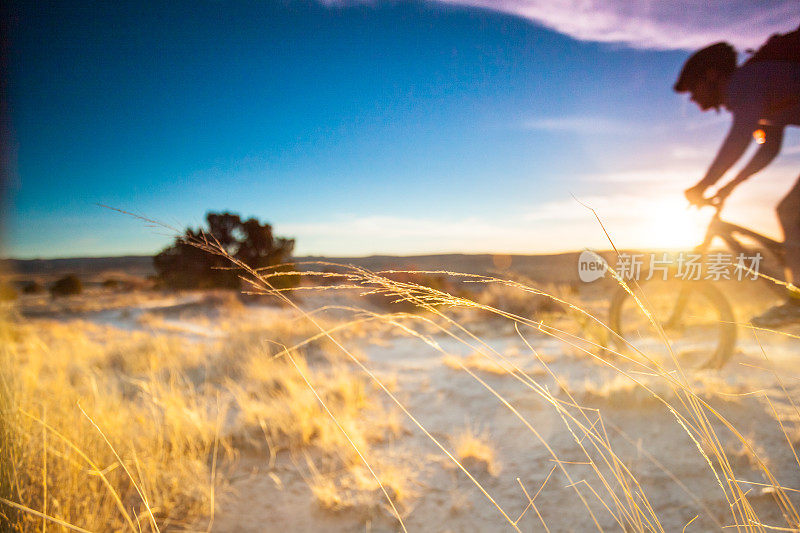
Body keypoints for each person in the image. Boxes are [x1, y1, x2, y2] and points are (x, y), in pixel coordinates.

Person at [674, 40, 800, 326]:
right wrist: (728, 187)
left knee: (791, 212)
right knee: (790, 213)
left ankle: (798, 301)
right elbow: (769, 148)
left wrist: (703, 185)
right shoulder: (759, 85)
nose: (693, 99)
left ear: (711, 75)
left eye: (693, 89)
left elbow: (740, 137)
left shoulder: (746, 83)